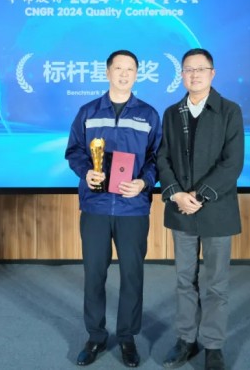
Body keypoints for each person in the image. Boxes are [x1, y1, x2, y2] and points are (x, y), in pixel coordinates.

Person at [65, 49, 162, 368]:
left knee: (132, 274)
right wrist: (86, 172)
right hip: (95, 206)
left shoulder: (148, 114)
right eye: (118, 68)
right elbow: (74, 151)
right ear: (107, 72)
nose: (124, 74)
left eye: (130, 69)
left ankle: (127, 337)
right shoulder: (88, 112)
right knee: (94, 273)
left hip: (133, 208)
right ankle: (95, 336)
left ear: (137, 74)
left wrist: (144, 182)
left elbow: (157, 158)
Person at [156, 48, 244, 370]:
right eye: (188, 70)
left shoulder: (229, 111)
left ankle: (213, 345)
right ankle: (186, 339)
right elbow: (162, 158)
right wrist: (177, 195)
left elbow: (233, 163)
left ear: (212, 73)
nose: (194, 75)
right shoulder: (171, 113)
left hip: (217, 209)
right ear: (181, 75)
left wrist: (200, 195)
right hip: (181, 209)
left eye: (200, 69)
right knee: (184, 280)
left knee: (216, 284)